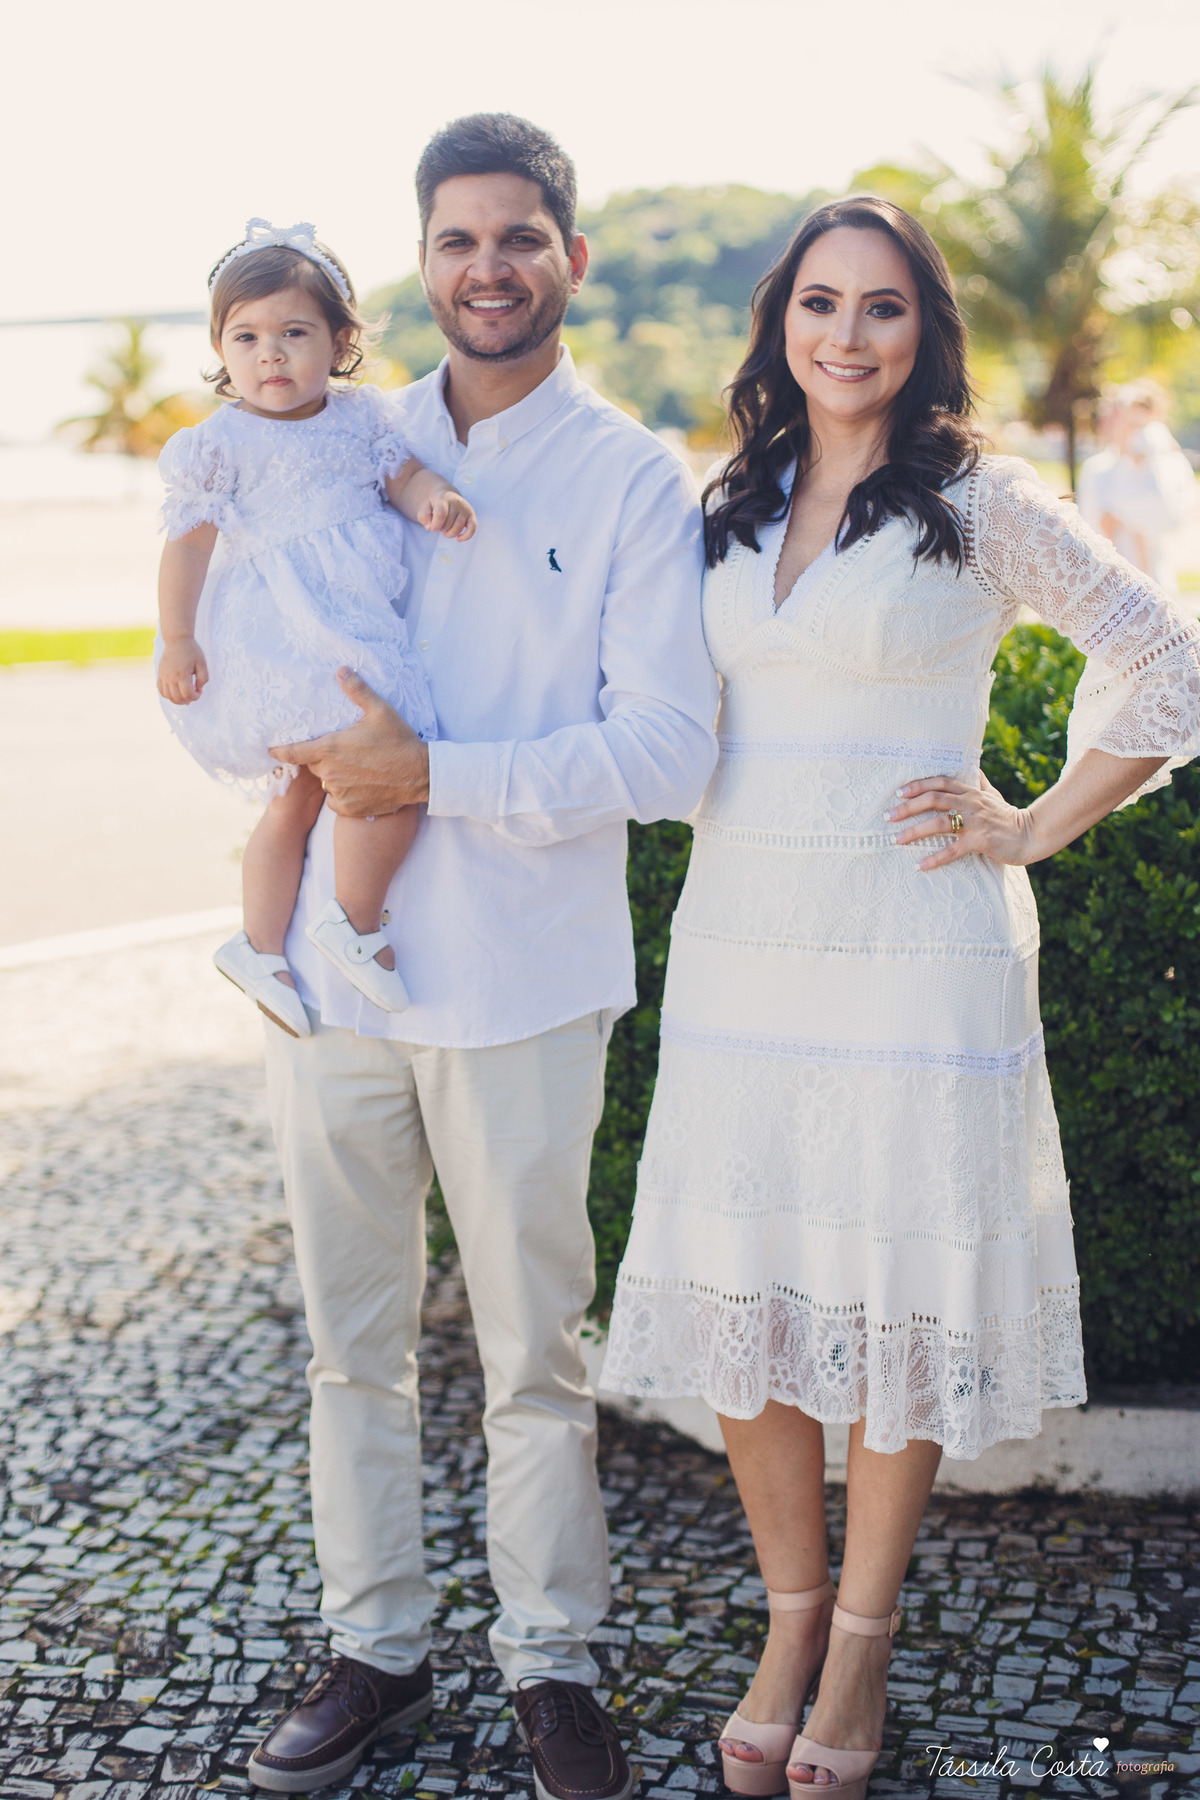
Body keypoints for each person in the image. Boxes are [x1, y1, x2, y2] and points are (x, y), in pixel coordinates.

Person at [599, 197, 1200, 1799]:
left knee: (891, 1307)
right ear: (778, 323)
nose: (845, 335)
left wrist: (1034, 822)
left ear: (923, 329)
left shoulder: (979, 504)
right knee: (757, 1289)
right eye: (818, 303)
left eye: (879, 307)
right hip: (743, 953)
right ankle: (786, 1624)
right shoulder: (728, 501)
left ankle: (860, 1643)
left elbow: (1165, 653)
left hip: (919, 954)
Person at [243, 117, 719, 1798]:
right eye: (457, 239)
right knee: (348, 1340)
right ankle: (374, 1642)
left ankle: (552, 1660)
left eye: (521, 237)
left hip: (522, 976)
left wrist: (435, 781)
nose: (488, 267)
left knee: (535, 1346)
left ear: (571, 259)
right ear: (421, 262)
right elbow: (235, 666)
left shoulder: (638, 480)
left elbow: (668, 756)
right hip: (332, 978)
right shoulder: (323, 440)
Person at [156, 221, 475, 1034]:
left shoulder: (362, 419)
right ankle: (345, 926)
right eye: (247, 337)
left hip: (350, 630)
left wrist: (432, 498)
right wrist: (178, 637)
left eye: (293, 333)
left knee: (325, 790)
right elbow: (187, 547)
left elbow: (402, 475)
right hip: (283, 643)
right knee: (372, 785)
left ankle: (263, 946)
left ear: (338, 341)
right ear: (221, 349)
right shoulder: (219, 444)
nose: (271, 354)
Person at [1077, 380, 1197, 595]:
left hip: (1157, 583)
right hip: (1108, 587)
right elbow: (1088, 528)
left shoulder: (1168, 465)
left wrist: (1120, 517)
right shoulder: (1095, 468)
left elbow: (1173, 516)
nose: (1112, 423)